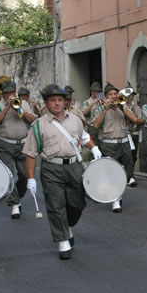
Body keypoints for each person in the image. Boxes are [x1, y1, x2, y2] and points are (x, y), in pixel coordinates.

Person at [24, 84, 102, 259]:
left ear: (64, 102)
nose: (57, 103)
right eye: (53, 100)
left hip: (74, 166)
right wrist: (31, 178)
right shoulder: (38, 125)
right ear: (46, 103)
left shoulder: (74, 120)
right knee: (55, 204)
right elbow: (30, 153)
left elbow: (84, 137)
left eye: (60, 100)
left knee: (77, 204)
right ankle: (62, 241)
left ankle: (67, 226)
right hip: (51, 167)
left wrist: (94, 148)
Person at [0, 79, 37, 219]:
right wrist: (6, 108)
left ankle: (18, 195)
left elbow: (33, 120)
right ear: (3, 94)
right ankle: (15, 204)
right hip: (5, 144)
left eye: (12, 92)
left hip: (23, 144)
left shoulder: (23, 104)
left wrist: (20, 110)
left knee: (24, 175)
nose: (10, 95)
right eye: (7, 93)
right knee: (9, 175)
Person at [93, 83, 142, 213]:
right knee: (113, 173)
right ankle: (116, 199)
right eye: (110, 95)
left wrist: (123, 107)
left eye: (115, 94)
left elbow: (135, 119)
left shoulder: (122, 106)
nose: (114, 96)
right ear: (105, 97)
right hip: (109, 144)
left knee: (125, 172)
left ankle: (117, 194)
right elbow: (96, 125)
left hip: (124, 142)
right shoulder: (99, 108)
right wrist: (105, 109)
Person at [124, 86, 145, 187]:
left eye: (132, 95)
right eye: (129, 95)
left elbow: (140, 119)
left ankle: (130, 173)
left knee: (133, 155)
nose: (130, 97)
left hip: (134, 133)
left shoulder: (136, 107)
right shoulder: (122, 106)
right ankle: (130, 176)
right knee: (126, 156)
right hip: (124, 134)